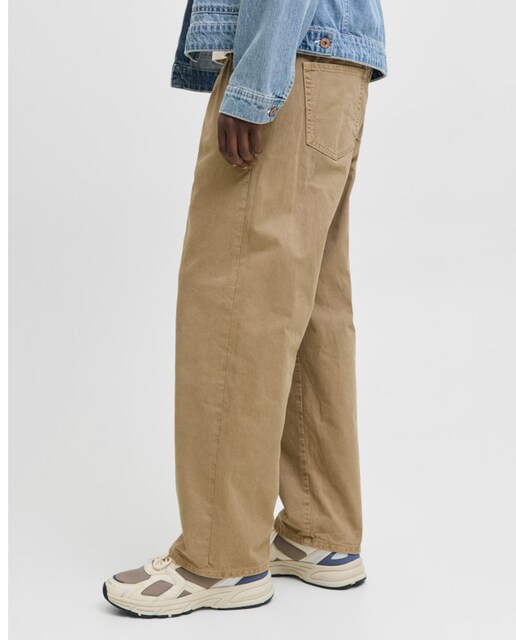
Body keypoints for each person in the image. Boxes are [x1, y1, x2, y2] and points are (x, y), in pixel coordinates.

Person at [103, 0, 387, 618]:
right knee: (312, 310)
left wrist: (255, 82)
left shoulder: (272, 70)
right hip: (332, 68)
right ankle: (320, 531)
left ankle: (220, 558)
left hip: (287, 58)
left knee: (234, 305)